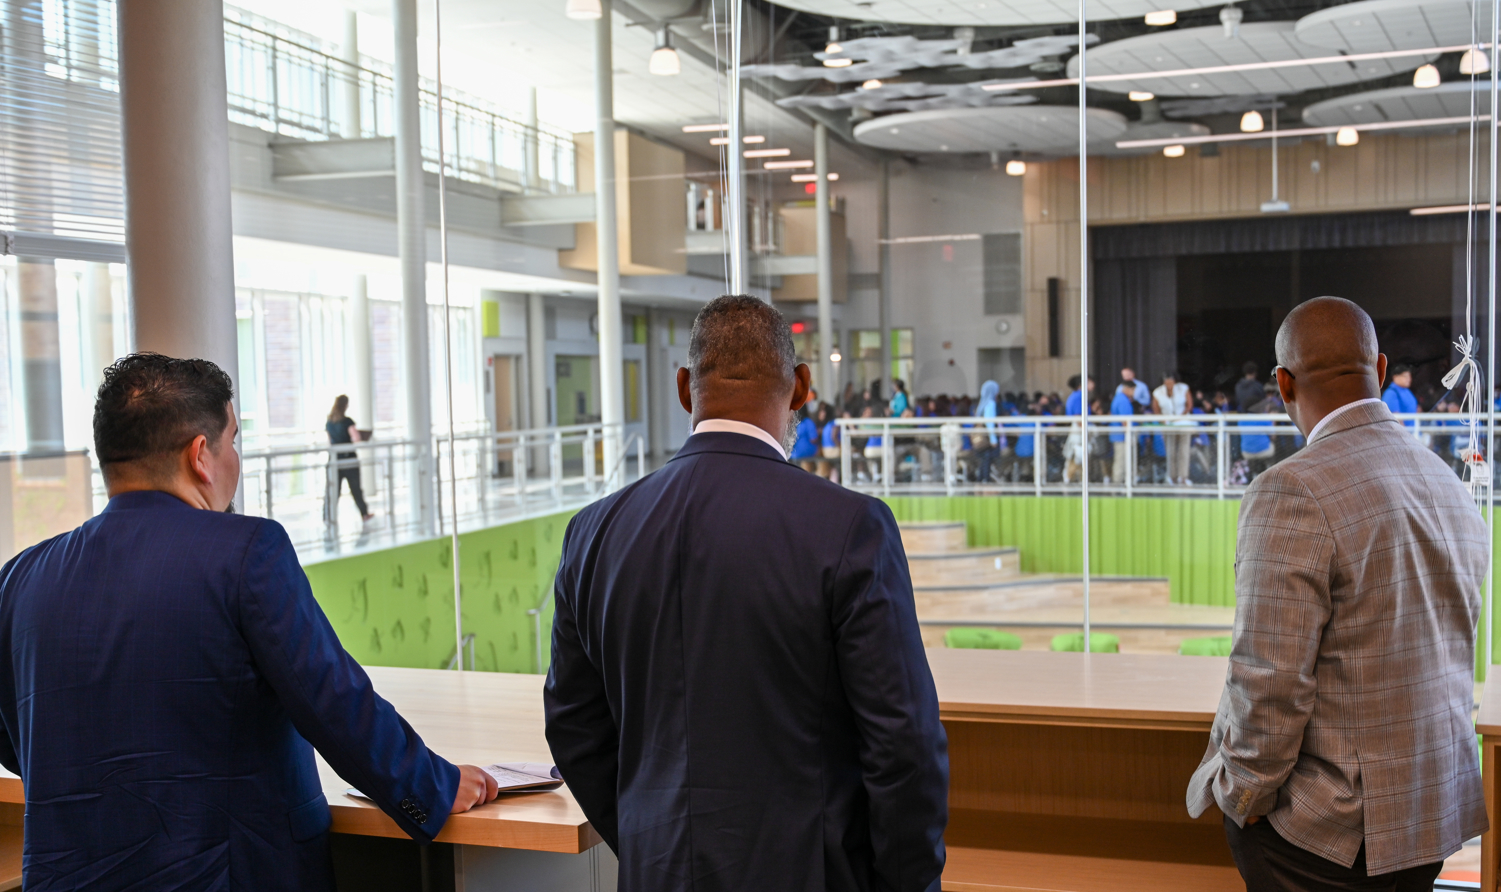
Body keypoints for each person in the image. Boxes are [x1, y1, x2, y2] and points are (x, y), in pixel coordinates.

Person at [0, 353, 498, 891]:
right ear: (200, 455)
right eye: (232, 441)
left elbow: (18, 743)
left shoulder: (21, 577)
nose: (234, 459)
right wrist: (430, 787)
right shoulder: (246, 553)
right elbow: (334, 701)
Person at [544, 296, 948, 892]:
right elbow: (903, 745)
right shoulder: (850, 528)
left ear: (685, 388)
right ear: (802, 386)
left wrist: (647, 838)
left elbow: (574, 728)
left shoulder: (593, 532)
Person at [1187, 297, 1488, 891]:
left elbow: (1269, 681)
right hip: (1428, 816)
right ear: (1380, 370)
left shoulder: (1291, 490)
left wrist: (1243, 797)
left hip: (1329, 833)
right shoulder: (1445, 482)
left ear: (1283, 383)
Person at [326, 394, 374, 523]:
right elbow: (356, 438)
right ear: (345, 405)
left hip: (334, 459)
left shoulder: (329, 421)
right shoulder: (347, 421)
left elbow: (330, 442)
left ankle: (327, 516)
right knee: (355, 488)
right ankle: (364, 514)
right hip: (349, 459)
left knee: (332, 490)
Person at [1152, 373, 1191, 485]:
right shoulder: (1157, 392)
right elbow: (1156, 410)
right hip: (1168, 425)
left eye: (1171, 381)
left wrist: (1180, 418)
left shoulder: (1183, 388)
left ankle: (1183, 477)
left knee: (1184, 451)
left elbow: (1189, 405)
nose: (1169, 384)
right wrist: (1163, 420)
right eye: (1167, 381)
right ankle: (1171, 477)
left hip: (1183, 423)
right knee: (1170, 451)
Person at [1108, 379, 1136, 484]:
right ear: (1127, 388)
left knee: (1122, 460)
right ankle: (1117, 484)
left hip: (1119, 436)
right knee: (1121, 461)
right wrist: (1130, 435)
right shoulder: (1123, 400)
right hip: (1121, 436)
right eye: (1133, 390)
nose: (1134, 393)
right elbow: (1125, 421)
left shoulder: (1119, 398)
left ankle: (1122, 483)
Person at [1382, 362, 1419, 428]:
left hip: (1414, 430)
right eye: (1405, 376)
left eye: (1409, 376)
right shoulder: (1391, 393)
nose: (1408, 379)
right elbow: (1395, 417)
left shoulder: (1407, 391)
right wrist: (1404, 432)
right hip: (1404, 432)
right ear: (1395, 377)